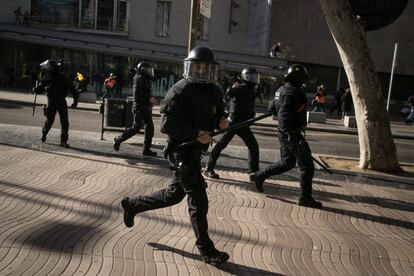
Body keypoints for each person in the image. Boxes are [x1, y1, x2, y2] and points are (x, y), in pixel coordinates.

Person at [121, 46, 230, 265]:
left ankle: (133, 204)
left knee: (173, 195)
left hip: (195, 151)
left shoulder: (214, 90)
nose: (201, 70)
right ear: (190, 66)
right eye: (197, 66)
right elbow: (167, 124)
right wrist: (196, 134)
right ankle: (207, 250)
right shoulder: (180, 89)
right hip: (181, 151)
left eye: (205, 67)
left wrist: (221, 122)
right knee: (198, 199)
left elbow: (219, 113)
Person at [249, 64, 323, 209]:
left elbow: (272, 110)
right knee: (307, 166)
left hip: (284, 133)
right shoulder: (296, 93)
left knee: (287, 162)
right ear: (299, 79)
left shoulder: (280, 90)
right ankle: (305, 198)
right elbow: (284, 115)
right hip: (291, 133)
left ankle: (259, 175)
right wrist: (292, 135)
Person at [204, 67, 260, 180]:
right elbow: (228, 94)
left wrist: (251, 114)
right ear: (245, 77)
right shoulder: (239, 87)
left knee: (253, 146)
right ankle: (209, 168)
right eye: (250, 77)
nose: (253, 79)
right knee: (220, 145)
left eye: (254, 77)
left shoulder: (251, 91)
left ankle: (253, 173)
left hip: (243, 124)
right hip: (232, 123)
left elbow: (248, 106)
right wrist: (232, 88)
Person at [113, 62, 157, 156]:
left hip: (145, 107)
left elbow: (145, 92)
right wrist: (149, 99)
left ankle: (146, 150)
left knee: (150, 128)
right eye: (147, 70)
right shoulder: (138, 79)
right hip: (139, 108)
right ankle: (119, 139)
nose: (149, 72)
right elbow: (137, 96)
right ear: (142, 70)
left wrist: (151, 99)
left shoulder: (145, 79)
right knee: (136, 128)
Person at [33, 59, 79, 148]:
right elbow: (41, 88)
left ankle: (63, 141)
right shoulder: (47, 77)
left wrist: (75, 102)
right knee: (49, 120)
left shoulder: (63, 77)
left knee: (65, 122)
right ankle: (44, 133)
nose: (47, 70)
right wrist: (36, 90)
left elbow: (73, 90)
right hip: (51, 102)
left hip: (61, 101)